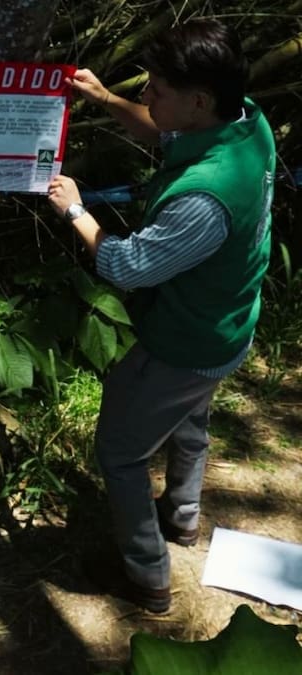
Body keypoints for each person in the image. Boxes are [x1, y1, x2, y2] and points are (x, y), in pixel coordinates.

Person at [48, 19, 274, 614]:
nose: (146, 96)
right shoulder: (246, 121)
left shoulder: (205, 198)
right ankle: (182, 517)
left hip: (184, 341)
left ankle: (147, 574)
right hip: (228, 322)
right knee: (189, 423)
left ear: (197, 100)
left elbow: (127, 267)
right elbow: (164, 132)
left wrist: (77, 213)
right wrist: (104, 98)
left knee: (120, 453)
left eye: (156, 88)